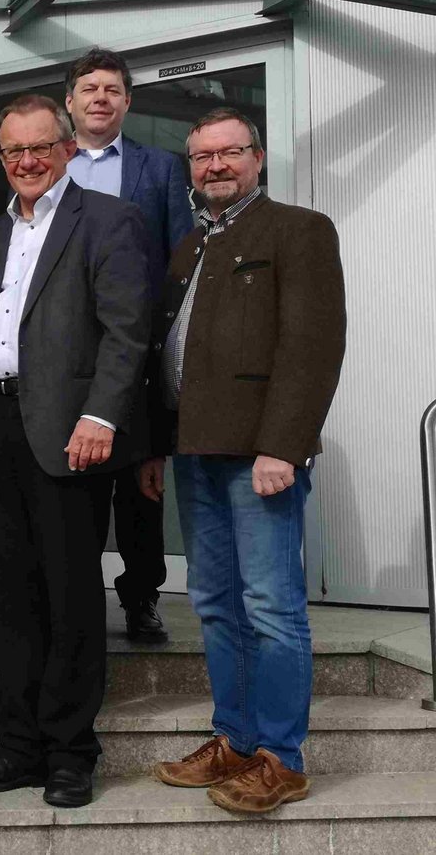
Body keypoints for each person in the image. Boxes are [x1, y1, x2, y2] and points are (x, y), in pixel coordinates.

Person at [141, 108, 346, 813]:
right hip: (196, 452)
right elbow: (167, 353)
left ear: (257, 157)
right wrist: (156, 445)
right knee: (215, 604)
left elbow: (313, 346)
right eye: (202, 157)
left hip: (260, 456)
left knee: (271, 607)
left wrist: (283, 445)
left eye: (229, 152)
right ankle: (233, 739)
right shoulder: (190, 246)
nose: (216, 165)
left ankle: (281, 759)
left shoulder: (299, 229)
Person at [0, 95, 151, 808]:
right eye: (14, 151)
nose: (27, 161)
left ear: (67, 149)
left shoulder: (110, 220)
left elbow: (127, 330)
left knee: (69, 596)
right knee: (6, 598)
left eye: (40, 147)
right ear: (1, 158)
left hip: (71, 430)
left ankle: (70, 752)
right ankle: (17, 747)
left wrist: (102, 415)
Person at [65, 46, 195, 643]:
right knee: (76, 486)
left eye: (112, 89)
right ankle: (77, 599)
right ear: (70, 102)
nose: (100, 98)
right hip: (68, 354)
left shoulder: (160, 168)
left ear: (127, 102)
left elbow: (178, 260)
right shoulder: (49, 163)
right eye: (89, 89)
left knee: (141, 486)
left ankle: (142, 596)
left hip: (137, 351)